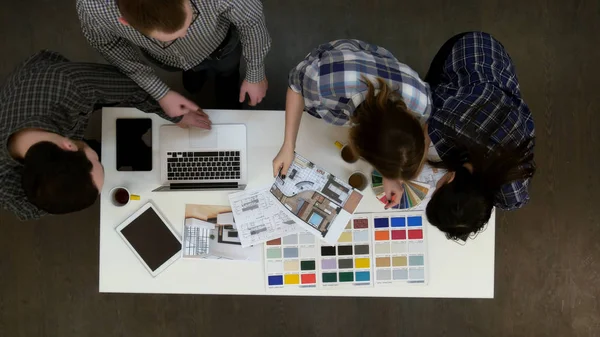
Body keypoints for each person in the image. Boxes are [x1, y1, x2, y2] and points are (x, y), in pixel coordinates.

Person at [0, 50, 209, 221]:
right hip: (51, 119)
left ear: (68, 145)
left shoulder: (69, 87)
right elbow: (30, 209)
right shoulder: (8, 187)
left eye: (96, 160)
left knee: (113, 94)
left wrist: (174, 116)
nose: (99, 158)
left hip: (46, 84)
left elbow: (130, 86)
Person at [272, 40, 433, 209]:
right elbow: (295, 86)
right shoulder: (322, 83)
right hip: (339, 63)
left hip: (372, 65)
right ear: (357, 141)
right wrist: (288, 145)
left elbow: (422, 129)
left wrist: (393, 175)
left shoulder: (421, 103)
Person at [423, 32, 536, 241]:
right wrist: (401, 169)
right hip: (471, 51)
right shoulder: (448, 124)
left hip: (502, 71)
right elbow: (424, 107)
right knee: (429, 86)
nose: (432, 189)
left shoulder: (513, 194)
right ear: (449, 178)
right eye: (435, 192)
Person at [76, 0, 271, 116]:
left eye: (190, 20)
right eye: (168, 39)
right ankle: (193, 76)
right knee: (191, 76)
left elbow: (251, 18)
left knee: (227, 75)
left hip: (222, 47)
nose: (185, 35)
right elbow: (108, 44)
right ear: (124, 22)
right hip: (167, 60)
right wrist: (160, 91)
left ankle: (226, 90)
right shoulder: (92, 8)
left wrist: (255, 72)